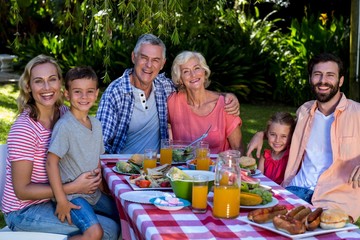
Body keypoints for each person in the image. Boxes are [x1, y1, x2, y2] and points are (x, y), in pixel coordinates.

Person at [2, 55, 120, 239]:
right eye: (39, 81)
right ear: (28, 87)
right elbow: (22, 191)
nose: (47, 88)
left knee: (121, 214)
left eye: (52, 80)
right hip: (24, 211)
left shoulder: (65, 114)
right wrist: (72, 187)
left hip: (59, 196)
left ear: (61, 84)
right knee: (108, 231)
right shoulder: (24, 129)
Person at [246, 53, 360, 221]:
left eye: (330, 75)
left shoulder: (357, 113)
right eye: (317, 74)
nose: (323, 81)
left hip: (335, 199)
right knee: (258, 220)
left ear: (340, 80)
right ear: (310, 79)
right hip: (296, 189)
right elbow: (283, 131)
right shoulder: (304, 111)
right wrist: (261, 134)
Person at [96, 33, 240, 154]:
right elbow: (98, 144)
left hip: (158, 170)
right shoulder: (115, 93)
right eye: (144, 58)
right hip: (124, 170)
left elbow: (195, 87)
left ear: (162, 64)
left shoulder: (163, 87)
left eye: (155, 60)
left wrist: (226, 96)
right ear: (134, 57)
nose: (149, 65)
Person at [46, 66, 119, 240]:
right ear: (67, 94)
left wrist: (103, 187)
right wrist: (62, 200)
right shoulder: (65, 126)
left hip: (93, 194)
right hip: (73, 196)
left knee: (125, 215)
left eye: (89, 91)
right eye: (77, 92)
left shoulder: (97, 124)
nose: (84, 97)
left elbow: (96, 161)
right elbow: (51, 162)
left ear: (96, 94)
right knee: (94, 233)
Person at [168, 50, 243, 153]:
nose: (193, 75)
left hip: (216, 168)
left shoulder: (225, 105)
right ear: (180, 79)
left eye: (197, 68)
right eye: (186, 71)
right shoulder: (173, 102)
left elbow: (238, 149)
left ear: (204, 71)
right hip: (183, 168)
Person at [257, 112, 295, 185]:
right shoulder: (265, 157)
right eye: (273, 134)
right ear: (267, 133)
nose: (277, 140)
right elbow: (258, 181)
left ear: (291, 136)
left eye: (283, 136)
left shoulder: (291, 156)